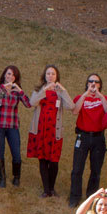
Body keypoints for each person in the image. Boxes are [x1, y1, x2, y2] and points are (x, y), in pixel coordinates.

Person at [27, 65, 73, 198]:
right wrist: (44, 90)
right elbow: (32, 103)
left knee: (54, 161)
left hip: (54, 131)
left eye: (53, 74)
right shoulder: (39, 90)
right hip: (40, 130)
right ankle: (46, 190)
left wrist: (63, 91)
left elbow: (71, 106)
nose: (50, 76)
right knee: (42, 160)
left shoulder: (60, 92)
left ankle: (52, 188)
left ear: (57, 76)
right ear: (44, 76)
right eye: (48, 73)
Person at [68, 73, 107, 207]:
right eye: (91, 81)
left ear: (100, 85)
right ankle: (75, 196)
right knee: (77, 168)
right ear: (87, 83)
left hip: (98, 137)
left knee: (96, 170)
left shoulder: (105, 99)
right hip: (83, 137)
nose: (93, 84)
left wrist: (100, 96)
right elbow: (75, 111)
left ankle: (91, 197)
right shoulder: (80, 97)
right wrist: (85, 95)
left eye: (96, 82)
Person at [0, 65, 30, 188]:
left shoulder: (17, 91)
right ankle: (2, 178)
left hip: (12, 125)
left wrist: (20, 90)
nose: (10, 76)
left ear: (16, 78)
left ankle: (16, 177)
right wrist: (3, 87)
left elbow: (28, 104)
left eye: (13, 75)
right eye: (8, 74)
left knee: (16, 153)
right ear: (4, 75)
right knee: (0, 151)